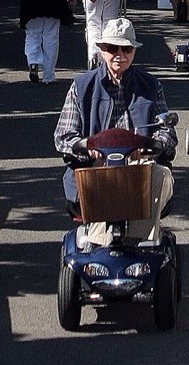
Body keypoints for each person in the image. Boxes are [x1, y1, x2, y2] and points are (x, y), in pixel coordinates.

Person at [53, 18, 176, 243]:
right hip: (96, 166)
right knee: (97, 178)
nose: (120, 54)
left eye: (126, 49)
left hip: (139, 166)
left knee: (161, 174)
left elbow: (166, 131)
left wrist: (148, 148)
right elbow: (63, 136)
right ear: (101, 49)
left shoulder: (151, 85)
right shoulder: (81, 86)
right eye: (112, 48)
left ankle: (139, 241)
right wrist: (88, 148)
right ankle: (101, 244)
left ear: (134, 52)